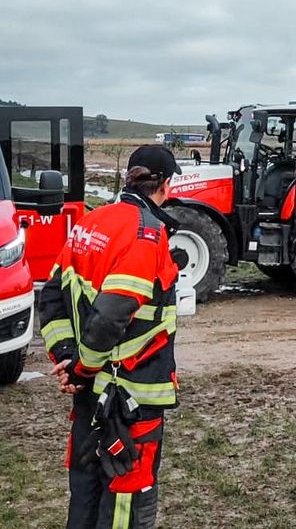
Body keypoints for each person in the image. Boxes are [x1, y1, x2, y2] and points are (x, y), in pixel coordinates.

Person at [39, 145, 182, 529]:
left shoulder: (89, 222)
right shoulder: (146, 234)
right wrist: (83, 368)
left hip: (90, 398)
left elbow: (52, 296)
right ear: (166, 185)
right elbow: (111, 315)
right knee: (127, 499)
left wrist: (66, 358)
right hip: (129, 398)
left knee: (85, 491)